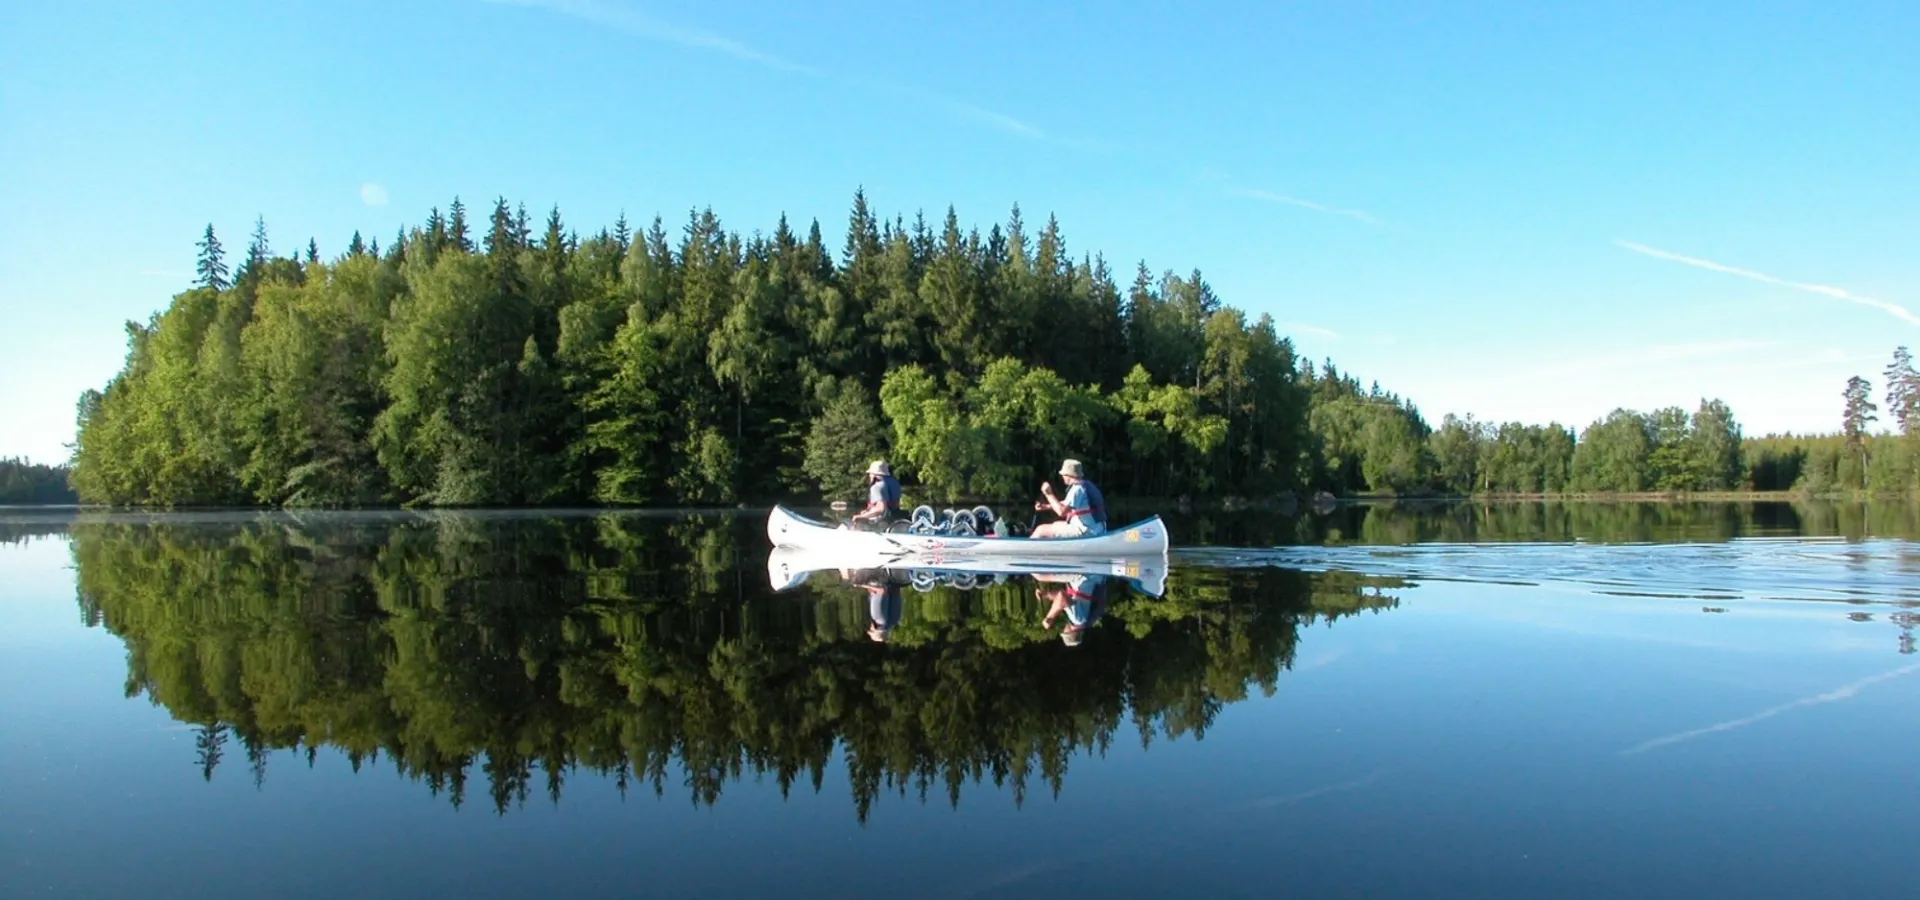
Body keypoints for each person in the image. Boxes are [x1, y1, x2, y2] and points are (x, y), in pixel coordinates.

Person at [1030, 459, 1105, 539]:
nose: (1062, 477)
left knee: (1041, 530)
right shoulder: (1086, 485)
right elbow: (1067, 504)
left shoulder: (1077, 489)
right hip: (1096, 528)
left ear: (1068, 475)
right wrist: (1046, 507)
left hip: (1087, 531)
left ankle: (1027, 549)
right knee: (1056, 524)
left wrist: (1049, 494)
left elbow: (1062, 512)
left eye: (1063, 474)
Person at [1036, 572, 1110, 647]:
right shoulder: (1077, 619)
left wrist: (1045, 594)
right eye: (1064, 632)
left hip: (1089, 578)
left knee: (1041, 575)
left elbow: (1064, 598)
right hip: (1082, 578)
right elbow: (1062, 596)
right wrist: (1049, 617)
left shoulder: (1082, 619)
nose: (1063, 629)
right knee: (1039, 576)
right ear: (1070, 632)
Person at [849, 460, 902, 528]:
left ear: (874, 475)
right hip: (892, 519)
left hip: (879, 522)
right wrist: (867, 512)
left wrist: (861, 516)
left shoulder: (877, 486)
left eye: (870, 474)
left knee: (845, 524)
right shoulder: (895, 483)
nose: (869, 476)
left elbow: (881, 509)